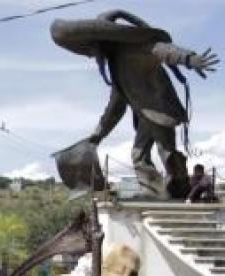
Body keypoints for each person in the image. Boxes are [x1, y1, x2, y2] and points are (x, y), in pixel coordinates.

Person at [51, 10, 218, 199]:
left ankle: (177, 188)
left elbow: (163, 49)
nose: (94, 52)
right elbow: (115, 107)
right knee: (139, 154)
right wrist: (98, 135)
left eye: (96, 45)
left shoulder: (137, 48)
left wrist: (188, 58)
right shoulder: (116, 67)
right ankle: (155, 191)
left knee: (166, 152)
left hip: (160, 110)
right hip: (146, 115)